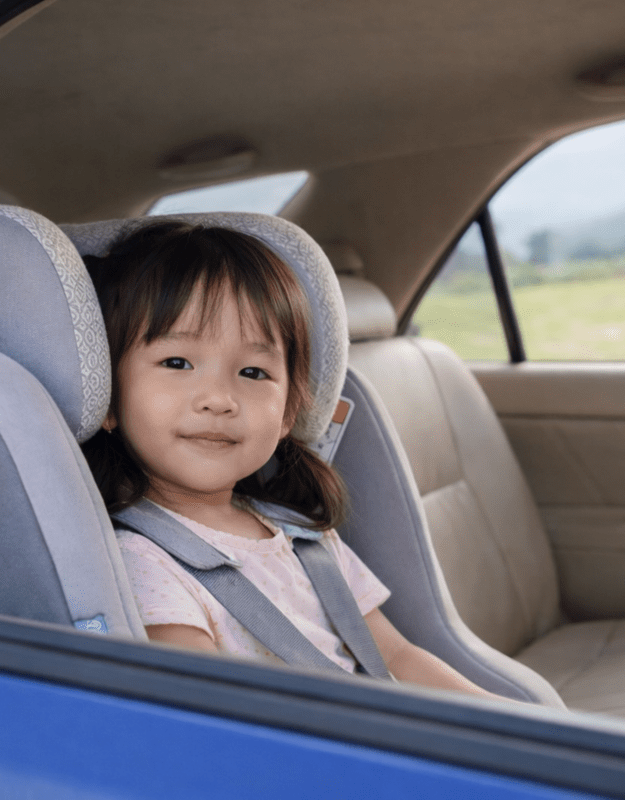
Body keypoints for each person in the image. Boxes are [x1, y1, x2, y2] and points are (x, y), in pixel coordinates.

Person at [82, 220, 507, 699]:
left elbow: (394, 655)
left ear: (288, 412)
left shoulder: (302, 534)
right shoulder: (141, 563)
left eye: (253, 371)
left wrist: (507, 720)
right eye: (177, 363)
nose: (219, 398)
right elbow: (209, 713)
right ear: (110, 401)